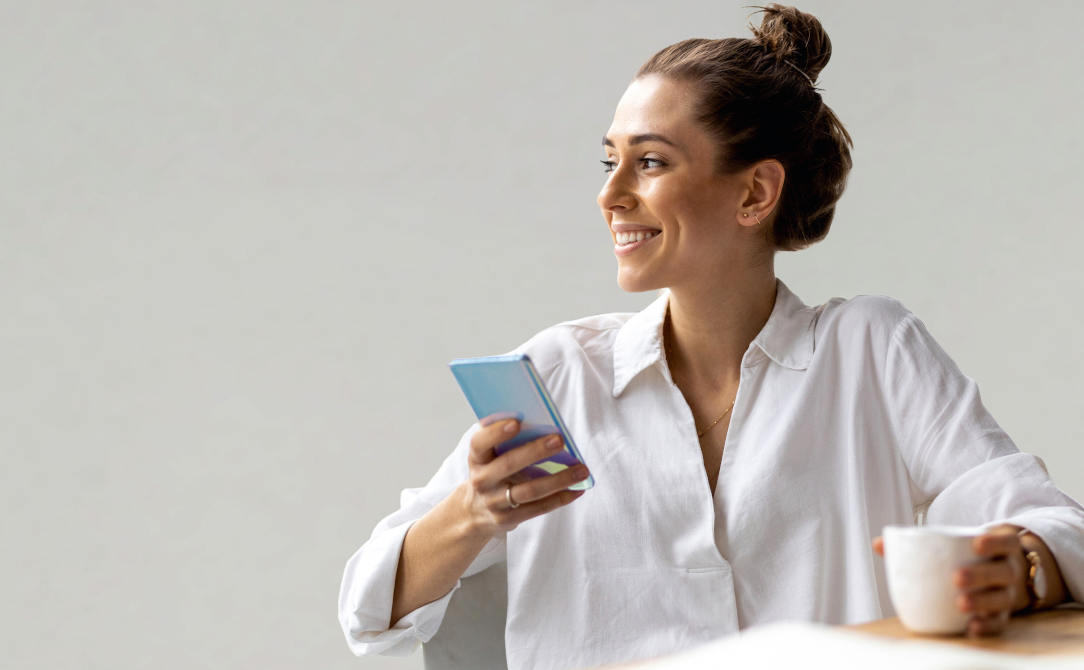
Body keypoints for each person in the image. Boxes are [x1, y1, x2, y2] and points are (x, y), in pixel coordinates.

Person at [339, 5, 1083, 669]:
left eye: (651, 161)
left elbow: (1055, 525)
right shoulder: (562, 375)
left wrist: (1019, 565)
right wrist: (471, 512)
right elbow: (367, 611)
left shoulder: (870, 351)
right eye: (610, 160)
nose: (609, 193)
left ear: (755, 192)